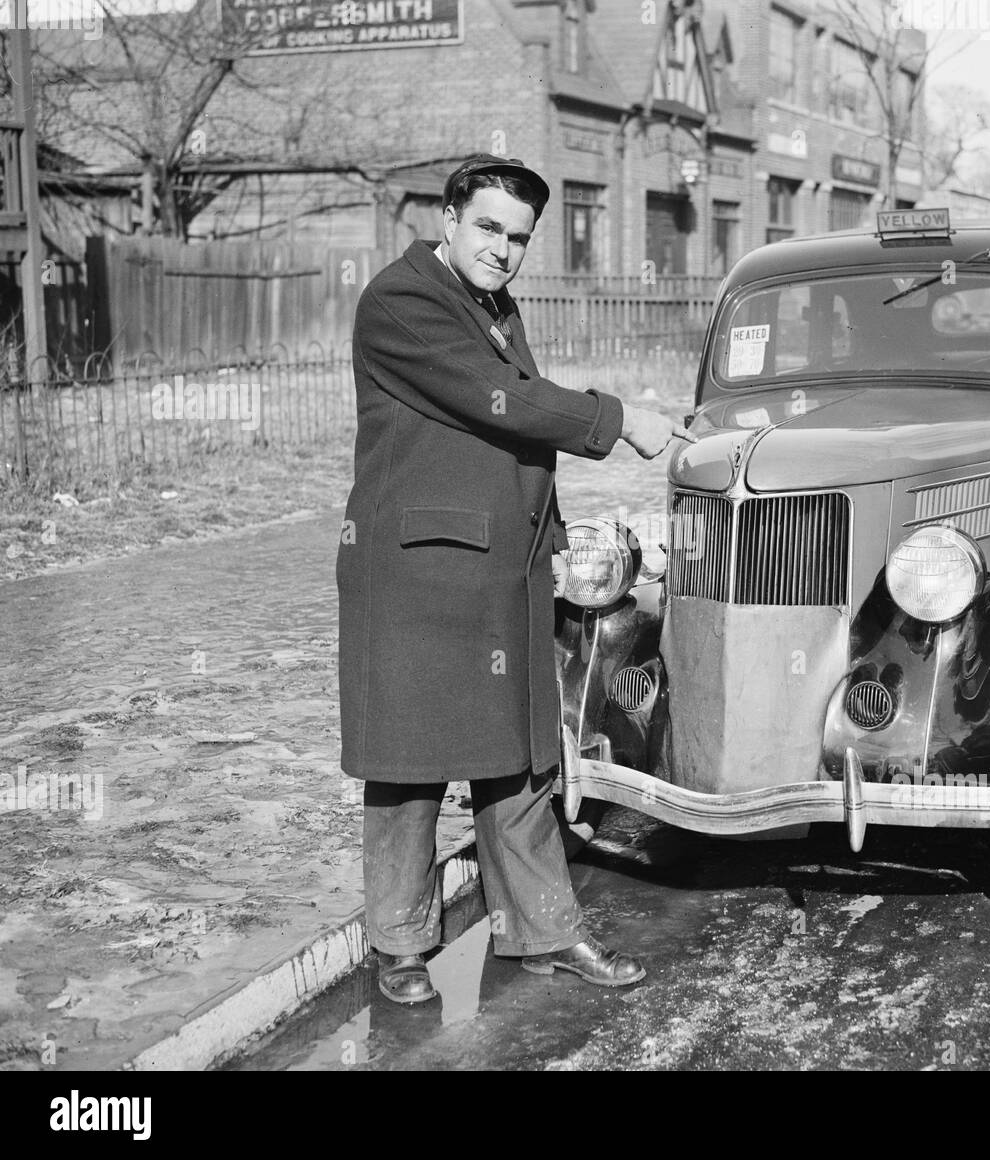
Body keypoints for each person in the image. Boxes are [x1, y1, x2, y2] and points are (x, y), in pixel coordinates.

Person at [337, 154, 693, 1003]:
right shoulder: (403, 299)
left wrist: (559, 541)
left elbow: (518, 436)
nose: (503, 249)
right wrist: (622, 420)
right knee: (410, 765)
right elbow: (504, 402)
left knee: (522, 763)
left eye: (519, 238)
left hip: (502, 569)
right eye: (490, 227)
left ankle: (543, 932)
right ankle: (398, 949)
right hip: (418, 573)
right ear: (451, 217)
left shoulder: (490, 303)